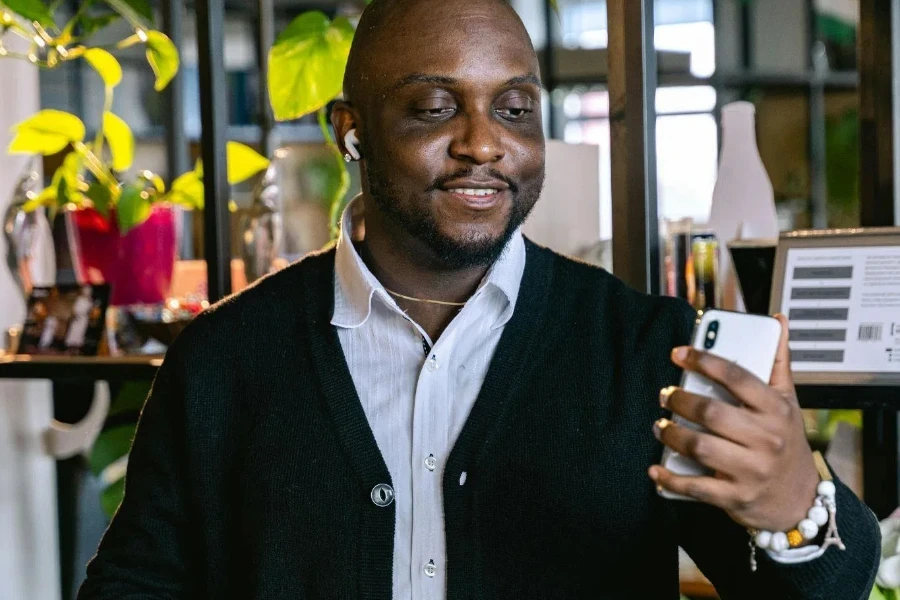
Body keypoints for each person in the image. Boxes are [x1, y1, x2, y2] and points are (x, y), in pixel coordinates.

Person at [78, 0, 880, 598]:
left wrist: (792, 512)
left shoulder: (647, 352)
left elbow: (823, 590)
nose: (484, 142)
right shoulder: (224, 359)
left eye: (515, 109)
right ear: (350, 133)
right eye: (434, 107)